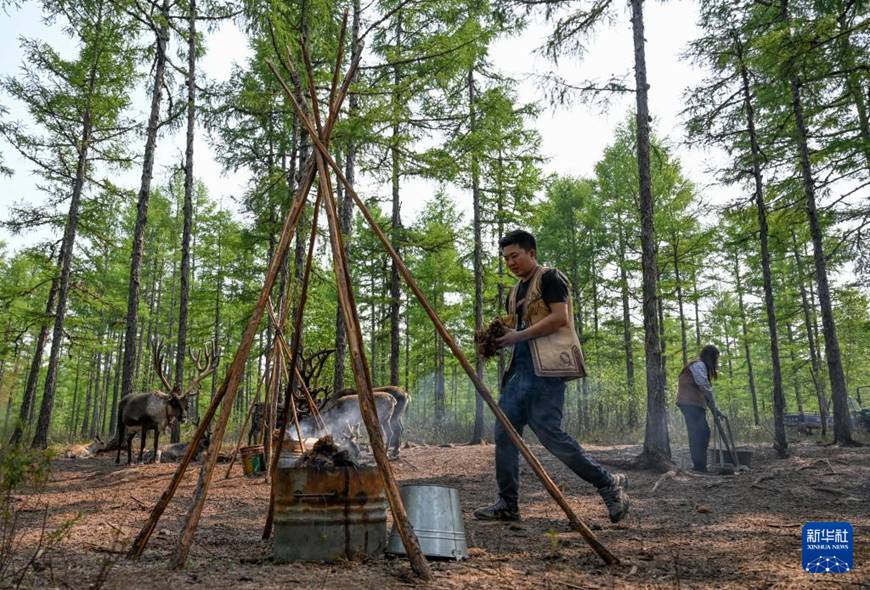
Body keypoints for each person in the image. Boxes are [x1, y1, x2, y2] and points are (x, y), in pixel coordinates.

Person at [473, 230, 630, 524]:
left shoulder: (550, 278)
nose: (510, 262)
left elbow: (560, 317)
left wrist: (518, 335)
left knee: (551, 436)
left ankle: (608, 483)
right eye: (506, 258)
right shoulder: (515, 291)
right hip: (519, 374)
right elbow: (514, 328)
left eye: (515, 256)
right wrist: (493, 338)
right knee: (505, 434)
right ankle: (508, 504)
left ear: (531, 252)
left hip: (547, 372)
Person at [676, 345, 723, 473]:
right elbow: (704, 387)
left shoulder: (702, 367)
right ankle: (699, 466)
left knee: (702, 433)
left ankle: (700, 464)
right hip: (688, 403)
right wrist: (713, 406)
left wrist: (715, 410)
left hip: (694, 404)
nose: (716, 362)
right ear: (710, 357)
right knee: (698, 433)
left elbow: (704, 392)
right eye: (715, 359)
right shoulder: (698, 365)